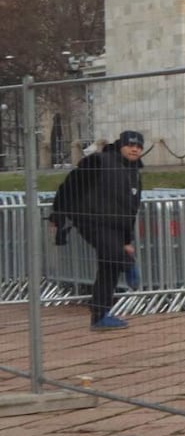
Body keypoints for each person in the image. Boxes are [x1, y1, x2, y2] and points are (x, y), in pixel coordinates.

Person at [51, 131, 146, 331]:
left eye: (139, 146)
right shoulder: (98, 161)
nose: (135, 149)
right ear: (120, 145)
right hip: (91, 219)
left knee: (109, 267)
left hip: (116, 225)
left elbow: (131, 209)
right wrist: (58, 214)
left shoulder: (135, 173)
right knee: (114, 255)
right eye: (130, 145)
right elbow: (70, 186)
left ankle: (100, 315)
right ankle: (128, 266)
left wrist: (127, 241)